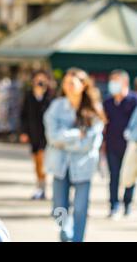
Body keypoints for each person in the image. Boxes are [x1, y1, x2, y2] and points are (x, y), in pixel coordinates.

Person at [44, 68, 105, 242]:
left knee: (80, 208)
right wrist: (77, 135)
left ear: (83, 85)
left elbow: (91, 142)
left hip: (83, 166)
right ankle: (65, 234)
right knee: (59, 208)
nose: (68, 86)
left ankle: (77, 239)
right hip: (59, 165)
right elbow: (52, 136)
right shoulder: (56, 107)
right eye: (66, 83)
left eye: (72, 83)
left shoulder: (94, 109)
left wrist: (64, 140)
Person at [103, 70, 137, 218]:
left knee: (129, 175)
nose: (113, 84)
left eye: (116, 81)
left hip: (131, 146)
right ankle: (114, 205)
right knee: (114, 176)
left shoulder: (134, 100)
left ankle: (127, 204)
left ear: (124, 82)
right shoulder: (108, 102)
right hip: (112, 144)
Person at [20, 70, 54, 200]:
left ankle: (42, 187)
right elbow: (23, 114)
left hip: (46, 134)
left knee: (42, 159)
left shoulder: (50, 96)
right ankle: (39, 186)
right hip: (33, 132)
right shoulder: (29, 95)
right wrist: (23, 132)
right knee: (36, 161)